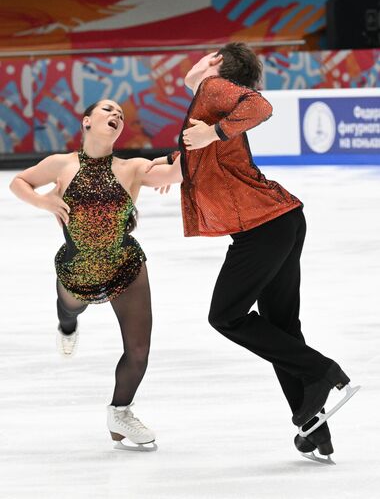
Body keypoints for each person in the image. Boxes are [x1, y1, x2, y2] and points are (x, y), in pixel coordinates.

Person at [147, 43, 359, 462]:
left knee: (226, 316)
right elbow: (202, 163)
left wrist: (214, 133)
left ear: (216, 62)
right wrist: (176, 164)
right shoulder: (205, 104)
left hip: (264, 227)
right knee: (280, 327)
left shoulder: (212, 87)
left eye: (205, 56)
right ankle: (313, 427)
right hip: (281, 220)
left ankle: (323, 371)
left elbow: (259, 107)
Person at [9, 99, 182, 448]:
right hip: (79, 270)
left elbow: (176, 173)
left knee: (139, 351)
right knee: (70, 310)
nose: (116, 115)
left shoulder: (132, 167)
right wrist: (45, 202)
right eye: (107, 110)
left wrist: (187, 154)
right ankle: (67, 326)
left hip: (125, 266)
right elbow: (19, 182)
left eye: (120, 113)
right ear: (86, 121)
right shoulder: (62, 164)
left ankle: (120, 413)